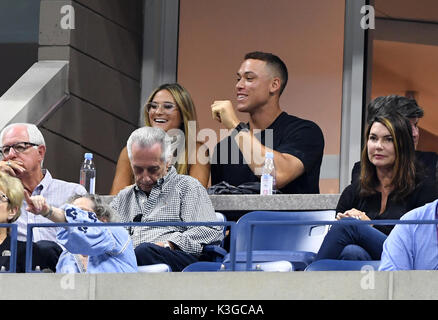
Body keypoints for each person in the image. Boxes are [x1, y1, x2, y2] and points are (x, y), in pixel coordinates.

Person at [315, 112, 437, 262]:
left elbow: (421, 243)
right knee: (351, 252)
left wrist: (368, 225)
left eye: (388, 139)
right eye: (373, 138)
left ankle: (306, 281)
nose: (378, 146)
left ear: (403, 145)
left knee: (348, 226)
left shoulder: (425, 189)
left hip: (407, 258)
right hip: (369, 263)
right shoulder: (353, 192)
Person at [110, 126, 224, 271]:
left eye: (153, 169)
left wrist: (169, 243)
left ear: (168, 160)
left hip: (175, 257)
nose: (145, 177)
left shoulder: (187, 187)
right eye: (138, 169)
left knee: (143, 251)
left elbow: (209, 230)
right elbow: (109, 234)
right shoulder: (124, 197)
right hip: (130, 259)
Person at [210, 51, 324, 194]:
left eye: (249, 78)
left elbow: (277, 175)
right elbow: (220, 202)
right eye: (238, 79)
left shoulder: (305, 131)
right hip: (238, 217)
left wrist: (234, 125)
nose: (239, 85)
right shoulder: (225, 147)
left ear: (274, 85)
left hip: (285, 217)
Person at [0, 123, 87, 270]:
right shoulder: (5, 199)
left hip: (62, 273)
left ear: (40, 152)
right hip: (16, 274)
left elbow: (90, 238)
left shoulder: (73, 192)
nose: (11, 155)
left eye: (20, 147)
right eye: (5, 150)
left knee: (46, 248)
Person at [110, 83, 210, 194]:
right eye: (153, 106)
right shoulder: (130, 151)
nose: (158, 112)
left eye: (167, 106)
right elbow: (116, 200)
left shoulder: (196, 151)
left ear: (183, 114)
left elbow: (195, 198)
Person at [25, 192, 138, 273]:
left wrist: (48, 211)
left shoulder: (116, 234)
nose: (73, 218)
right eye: (71, 212)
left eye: (83, 213)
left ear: (103, 220)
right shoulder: (66, 256)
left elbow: (88, 233)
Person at [351, 95, 438, 184]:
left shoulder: (432, 164)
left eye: (415, 125)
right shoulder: (361, 170)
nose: (415, 134)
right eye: (407, 127)